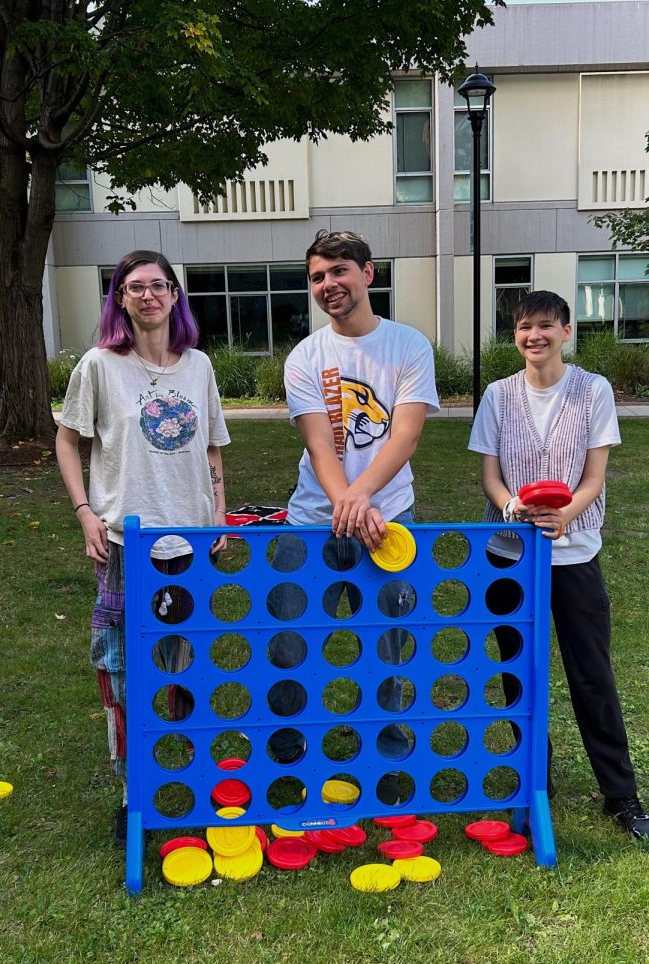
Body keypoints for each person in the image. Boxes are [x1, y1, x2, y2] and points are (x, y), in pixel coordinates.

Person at [467, 290, 649, 843]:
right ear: (515, 336)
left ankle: (621, 796)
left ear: (566, 332)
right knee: (518, 675)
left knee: (591, 675)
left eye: (546, 326)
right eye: (525, 327)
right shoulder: (498, 395)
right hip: (508, 554)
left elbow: (595, 478)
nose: (535, 336)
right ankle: (536, 787)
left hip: (574, 553)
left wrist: (562, 517)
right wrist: (513, 508)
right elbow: (489, 476)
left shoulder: (592, 390)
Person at [55, 250, 230, 849]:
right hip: (127, 543)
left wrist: (220, 517)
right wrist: (85, 513)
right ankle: (136, 786)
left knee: (188, 662)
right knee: (125, 665)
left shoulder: (199, 367)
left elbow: (210, 451)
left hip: (191, 544)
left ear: (175, 296)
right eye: (135, 287)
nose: (149, 295)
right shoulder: (100, 366)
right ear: (120, 300)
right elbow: (67, 440)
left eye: (159, 285)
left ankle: (188, 767)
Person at [267, 229, 439, 788]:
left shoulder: (409, 346)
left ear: (368, 273)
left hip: (389, 521)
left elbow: (405, 437)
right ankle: (289, 743)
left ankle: (386, 741)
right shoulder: (305, 357)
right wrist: (346, 502)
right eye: (317, 276)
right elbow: (319, 443)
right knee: (291, 638)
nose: (328, 284)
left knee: (387, 639)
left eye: (338, 270)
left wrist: (362, 499)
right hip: (311, 524)